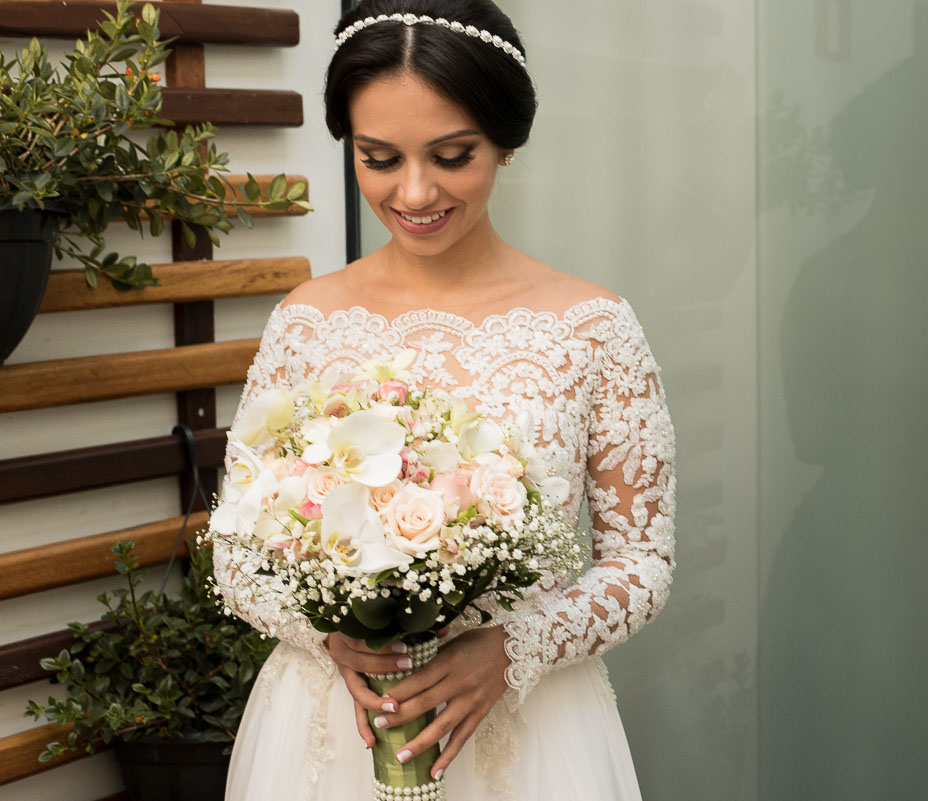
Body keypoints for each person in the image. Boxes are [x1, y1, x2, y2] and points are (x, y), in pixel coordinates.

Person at [212, 2, 676, 800]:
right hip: (331, 728)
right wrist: (328, 635)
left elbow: (642, 560)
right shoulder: (306, 322)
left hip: (529, 732)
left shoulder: (592, 328)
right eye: (379, 157)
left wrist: (516, 646)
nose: (415, 190)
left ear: (504, 140)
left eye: (452, 154)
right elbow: (236, 552)